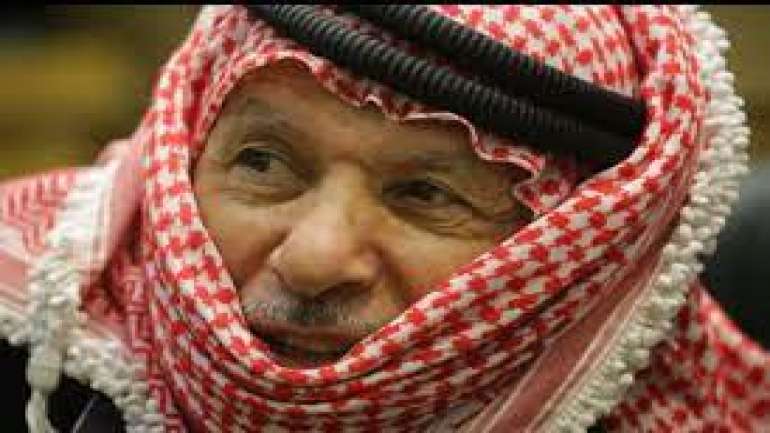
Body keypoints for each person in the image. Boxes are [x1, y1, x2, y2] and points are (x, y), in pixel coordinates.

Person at [0, 5, 767, 432]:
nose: (314, 258)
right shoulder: (31, 331)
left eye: (425, 194)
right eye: (263, 163)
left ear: (576, 259)